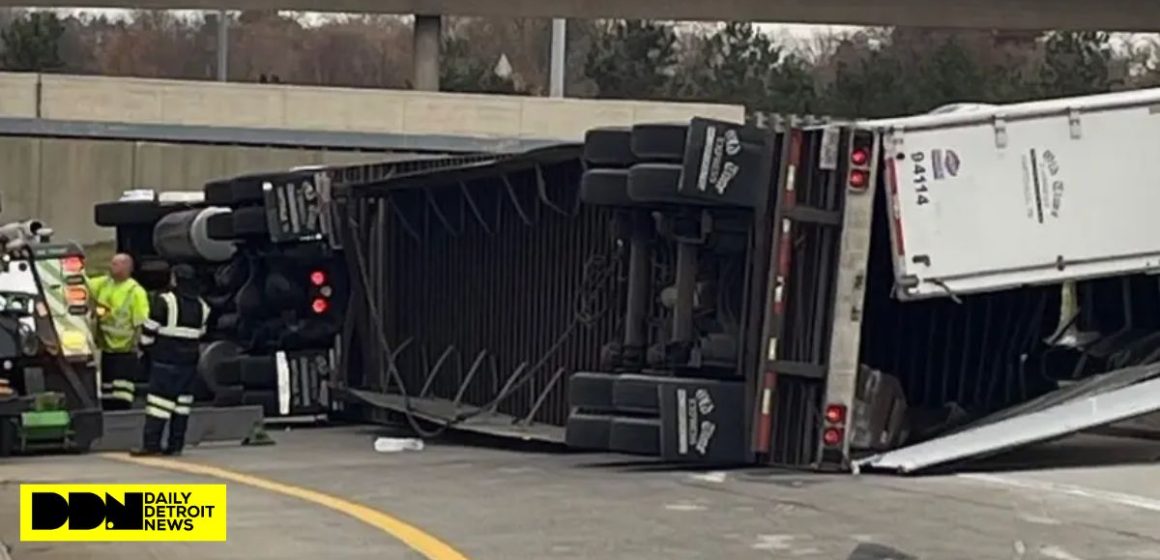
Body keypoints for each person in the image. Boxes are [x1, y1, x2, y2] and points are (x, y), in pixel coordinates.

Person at [131, 264, 210, 457]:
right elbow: (201, 332)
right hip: (189, 364)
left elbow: (149, 329)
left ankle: (151, 445)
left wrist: (145, 348)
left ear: (176, 279)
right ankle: (176, 445)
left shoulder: (165, 301)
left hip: (166, 361)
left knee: (158, 405)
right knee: (181, 406)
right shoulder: (203, 306)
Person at [89, 253, 150, 410]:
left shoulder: (135, 292)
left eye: (116, 264)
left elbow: (141, 322)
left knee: (122, 392)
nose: (111, 266)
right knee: (108, 389)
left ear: (127, 268)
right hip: (107, 348)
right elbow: (84, 284)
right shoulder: (104, 283)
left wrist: (138, 345)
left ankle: (123, 415)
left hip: (126, 350)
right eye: (112, 263)